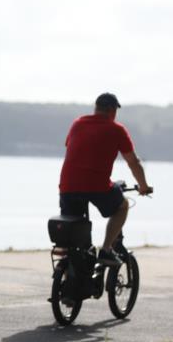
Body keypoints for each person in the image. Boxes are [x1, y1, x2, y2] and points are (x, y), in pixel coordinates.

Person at [58, 93, 153, 266]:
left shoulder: (77, 124)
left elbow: (75, 149)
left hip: (68, 186)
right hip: (96, 186)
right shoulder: (116, 129)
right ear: (111, 110)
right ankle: (106, 250)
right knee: (122, 205)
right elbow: (133, 162)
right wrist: (144, 186)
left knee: (71, 240)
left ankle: (66, 276)